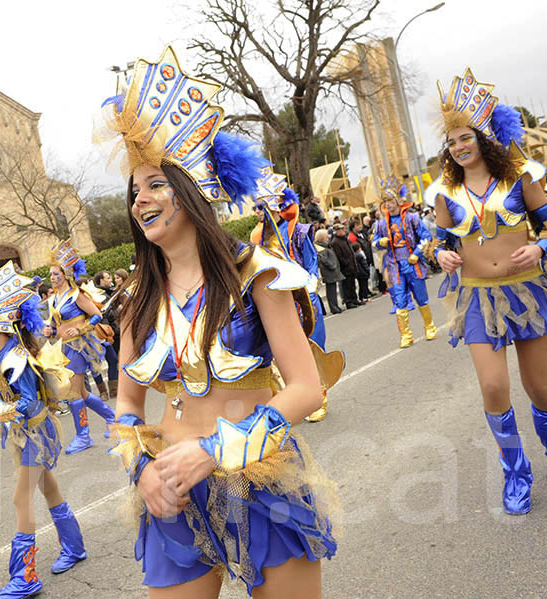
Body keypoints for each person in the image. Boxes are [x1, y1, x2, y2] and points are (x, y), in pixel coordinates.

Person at [100, 46, 338, 597]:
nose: (141, 201)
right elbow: (128, 405)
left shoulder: (258, 276)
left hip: (262, 477)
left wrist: (216, 451)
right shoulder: (136, 297)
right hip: (173, 489)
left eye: (156, 184)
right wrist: (141, 471)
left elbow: (306, 388)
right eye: (135, 190)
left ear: (194, 188)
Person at [429, 68, 547, 514]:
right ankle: (515, 472)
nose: (459, 147)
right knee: (492, 386)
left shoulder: (520, 176)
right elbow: (436, 242)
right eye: (451, 142)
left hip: (526, 291)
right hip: (476, 298)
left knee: (540, 387)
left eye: (465, 137)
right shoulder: (444, 191)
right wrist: (441, 255)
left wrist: (542, 247)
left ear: (483, 135)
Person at [0, 262, 86, 598]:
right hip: (25, 433)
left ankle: (26, 575)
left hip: (34, 431)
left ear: (3, 319)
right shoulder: (1, 351)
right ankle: (74, 547)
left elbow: (29, 403)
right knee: (49, 490)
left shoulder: (15, 356)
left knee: (22, 498)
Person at [251, 167, 340, 422]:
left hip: (304, 297)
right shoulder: (259, 238)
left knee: (312, 347)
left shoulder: (299, 231)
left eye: (263, 206)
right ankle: (289, 403)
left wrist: (310, 283)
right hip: (280, 300)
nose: (259, 212)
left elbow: (311, 260)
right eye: (257, 207)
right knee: (280, 354)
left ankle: (320, 397)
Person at [41, 240, 115, 454]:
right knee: (80, 393)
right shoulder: (53, 300)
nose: (53, 278)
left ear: (66, 274)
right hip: (64, 348)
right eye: (51, 275)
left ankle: (83, 435)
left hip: (80, 348)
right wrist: (51, 331)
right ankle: (112, 417)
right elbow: (57, 326)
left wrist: (81, 329)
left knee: (73, 393)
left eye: (56, 274)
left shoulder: (77, 295)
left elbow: (97, 315)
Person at [373, 177, 436, 348]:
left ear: (398, 200)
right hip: (394, 265)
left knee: (421, 297)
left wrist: (416, 253)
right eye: (385, 201)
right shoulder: (380, 223)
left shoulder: (412, 218)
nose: (388, 204)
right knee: (399, 300)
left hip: (412, 263)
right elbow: (374, 242)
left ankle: (429, 326)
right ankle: (406, 335)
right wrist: (381, 242)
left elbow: (426, 237)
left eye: (390, 200)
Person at [330, 223, 360, 308]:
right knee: (346, 285)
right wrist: (346, 263)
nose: (343, 230)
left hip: (351, 265)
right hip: (345, 267)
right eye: (341, 229)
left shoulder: (344, 239)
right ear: (337, 231)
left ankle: (354, 299)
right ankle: (349, 301)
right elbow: (339, 256)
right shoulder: (335, 242)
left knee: (352, 284)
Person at [315, 228, 343, 314]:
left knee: (333, 290)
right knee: (331, 291)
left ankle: (336, 306)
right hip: (328, 272)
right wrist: (332, 265)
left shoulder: (325, 245)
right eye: (326, 236)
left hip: (332, 271)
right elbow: (323, 259)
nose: (328, 237)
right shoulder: (320, 247)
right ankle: (334, 308)